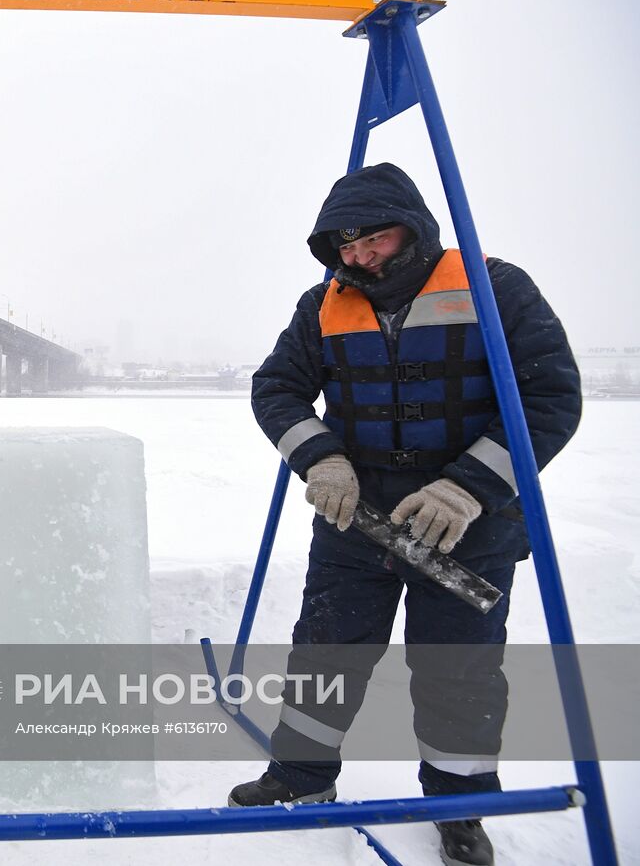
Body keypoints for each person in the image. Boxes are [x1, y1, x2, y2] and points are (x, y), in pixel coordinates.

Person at [228, 163, 580, 866]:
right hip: (354, 520)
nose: (357, 258)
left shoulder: (496, 288)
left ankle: (460, 806)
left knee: (460, 668)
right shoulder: (321, 305)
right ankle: (300, 777)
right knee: (325, 650)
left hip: (467, 526)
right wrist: (322, 459)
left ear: (412, 229)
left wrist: (465, 486)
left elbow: (551, 397)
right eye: (343, 247)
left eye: (371, 242)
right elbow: (277, 390)